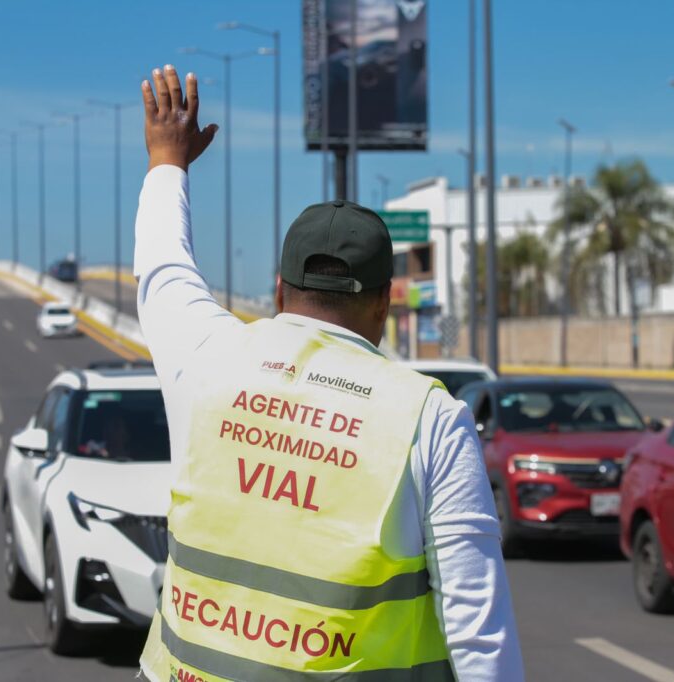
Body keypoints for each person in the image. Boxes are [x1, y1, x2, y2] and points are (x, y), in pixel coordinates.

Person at [136, 64, 523, 681]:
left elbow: (163, 272)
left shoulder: (208, 360)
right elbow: (479, 632)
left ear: (280, 290)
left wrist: (167, 159)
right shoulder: (428, 418)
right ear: (383, 303)